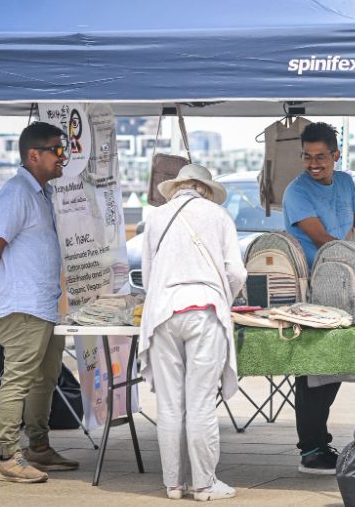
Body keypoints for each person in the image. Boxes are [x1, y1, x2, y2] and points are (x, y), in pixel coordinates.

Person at [282, 122, 355, 474]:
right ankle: (312, 448)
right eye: (308, 157)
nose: (314, 164)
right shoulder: (296, 192)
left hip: (352, 286)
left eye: (321, 157)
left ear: (336, 155)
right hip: (314, 289)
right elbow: (326, 241)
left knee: (339, 366)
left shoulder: (345, 182)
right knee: (315, 368)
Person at [0, 122, 78, 483]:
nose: (63, 156)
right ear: (34, 155)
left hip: (44, 304)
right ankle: (7, 455)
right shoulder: (17, 193)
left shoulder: (41, 193)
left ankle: (38, 446)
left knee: (44, 379)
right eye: (57, 150)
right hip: (22, 304)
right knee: (19, 378)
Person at [139, 164, 246, 501]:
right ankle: (203, 485)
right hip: (204, 310)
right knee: (199, 403)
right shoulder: (218, 216)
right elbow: (236, 272)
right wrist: (222, 296)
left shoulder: (155, 217)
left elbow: (147, 274)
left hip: (162, 313)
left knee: (169, 406)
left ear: (179, 186)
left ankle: (172, 484)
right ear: (204, 188)